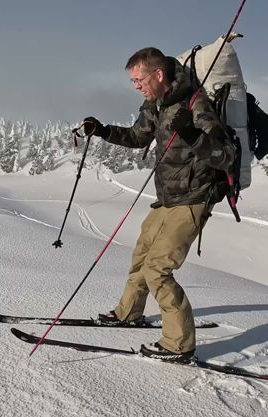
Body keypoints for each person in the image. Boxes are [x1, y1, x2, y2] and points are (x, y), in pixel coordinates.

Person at [82, 47, 235, 363]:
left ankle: (179, 344)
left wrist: (193, 134)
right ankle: (129, 313)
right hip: (166, 199)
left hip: (192, 200)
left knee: (157, 270)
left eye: (139, 79)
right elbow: (138, 137)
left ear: (158, 74)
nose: (136, 86)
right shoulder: (157, 104)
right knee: (140, 257)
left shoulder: (196, 105)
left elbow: (225, 156)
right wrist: (104, 130)